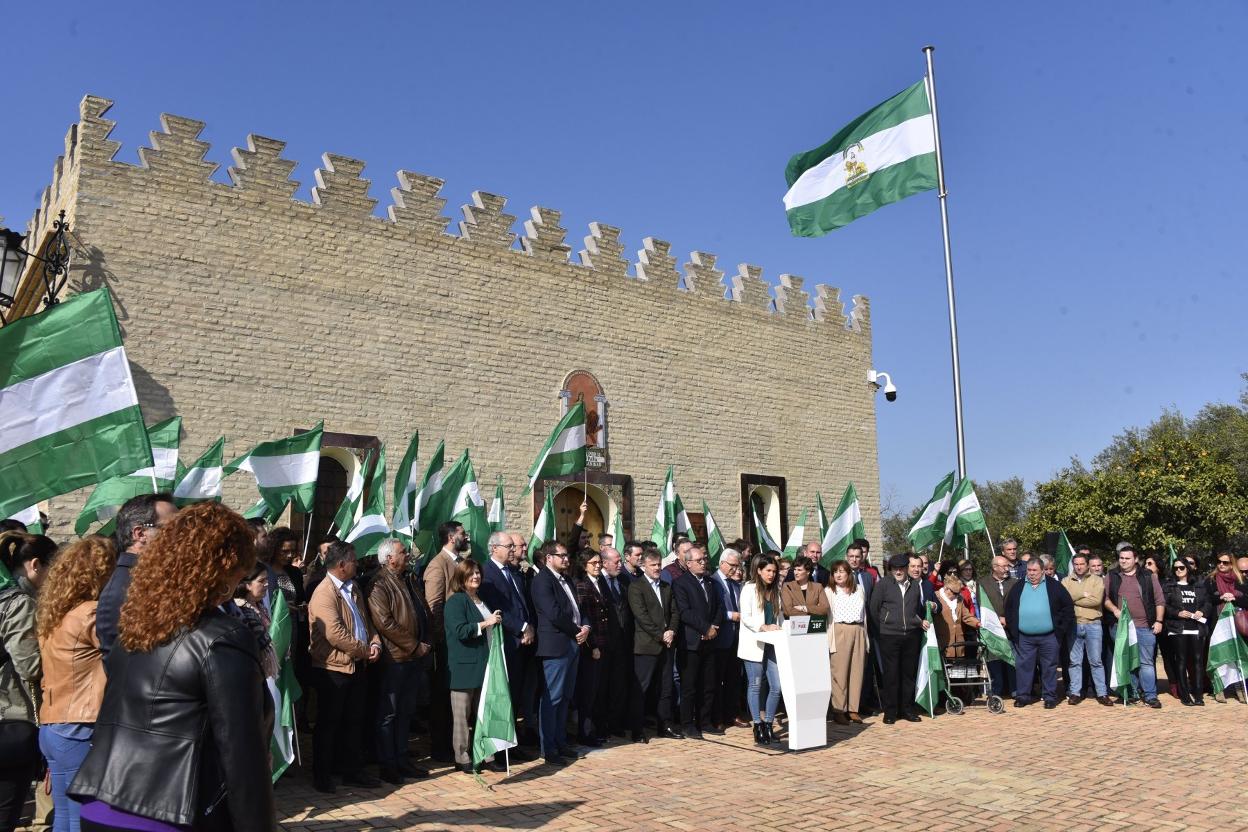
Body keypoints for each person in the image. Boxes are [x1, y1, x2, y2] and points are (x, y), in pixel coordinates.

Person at [69, 503, 274, 832]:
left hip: (101, 804)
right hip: (167, 813)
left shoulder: (136, 625)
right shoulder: (221, 638)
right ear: (225, 566)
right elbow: (241, 758)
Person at [34, 536, 116, 832]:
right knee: (84, 819)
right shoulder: (91, 614)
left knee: (68, 819)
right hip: (80, 724)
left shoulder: (56, 613)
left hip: (55, 725)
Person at [308, 540, 382, 792]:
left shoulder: (353, 588)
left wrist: (375, 643)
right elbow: (335, 634)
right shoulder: (324, 592)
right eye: (354, 560)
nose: (357, 563)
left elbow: (364, 621)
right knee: (329, 723)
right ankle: (322, 775)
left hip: (356, 665)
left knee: (354, 721)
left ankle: (352, 770)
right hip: (332, 668)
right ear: (341, 565)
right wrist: (364, 650)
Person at [0, 532, 55, 832]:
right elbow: (30, 666)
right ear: (35, 566)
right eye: (53, 570)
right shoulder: (19, 604)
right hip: (10, 719)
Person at [368, 538, 432, 783]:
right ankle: (387, 763)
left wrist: (425, 641)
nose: (408, 555)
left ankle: (402, 758)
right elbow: (385, 623)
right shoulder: (379, 584)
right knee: (389, 713)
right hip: (395, 658)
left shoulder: (410, 578)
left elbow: (421, 610)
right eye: (403, 552)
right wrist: (414, 645)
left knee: (406, 711)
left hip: (414, 657)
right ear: (389, 559)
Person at [443, 559, 506, 774]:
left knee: (484, 712)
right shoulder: (456, 601)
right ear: (461, 577)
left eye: (478, 573)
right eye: (471, 574)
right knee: (462, 715)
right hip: (464, 667)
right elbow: (460, 630)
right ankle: (462, 757)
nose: (476, 577)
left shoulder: (481, 599)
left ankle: (486, 755)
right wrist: (485, 623)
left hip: (486, 664)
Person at [96, 493, 177, 658]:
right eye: (172, 528)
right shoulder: (128, 585)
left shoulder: (147, 578)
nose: (182, 536)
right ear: (140, 534)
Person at [531, 542, 589, 764]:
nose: (566, 559)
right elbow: (554, 613)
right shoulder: (542, 581)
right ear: (548, 558)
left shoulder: (567, 580)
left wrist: (586, 627)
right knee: (552, 698)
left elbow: (578, 609)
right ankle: (549, 748)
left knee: (565, 696)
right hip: (555, 646)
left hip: (573, 643)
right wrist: (577, 631)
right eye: (561, 556)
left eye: (567, 555)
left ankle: (560, 741)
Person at [423, 520, 469, 762]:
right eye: (462, 533)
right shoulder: (437, 565)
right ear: (451, 537)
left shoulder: (461, 563)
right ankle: (440, 746)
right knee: (443, 695)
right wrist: (444, 638)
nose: (466, 536)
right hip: (447, 644)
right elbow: (434, 606)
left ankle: (456, 743)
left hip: (462, 641)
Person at [867, 553, 928, 724]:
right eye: (895, 568)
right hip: (889, 635)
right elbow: (874, 609)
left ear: (906, 569)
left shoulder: (915, 585)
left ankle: (907, 709)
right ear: (890, 569)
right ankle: (890, 711)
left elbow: (915, 610)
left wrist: (917, 622)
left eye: (901, 568)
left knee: (908, 674)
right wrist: (882, 630)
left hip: (910, 635)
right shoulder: (883, 585)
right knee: (891, 675)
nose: (899, 571)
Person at [1005, 559, 1075, 709]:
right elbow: (1009, 608)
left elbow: (1067, 608)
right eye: (1029, 570)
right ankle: (1023, 696)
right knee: (1024, 666)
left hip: (1049, 636)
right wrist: (1013, 629)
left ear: (1042, 570)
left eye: (1034, 571)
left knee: (1049, 667)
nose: (1031, 574)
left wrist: (1061, 630)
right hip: (1024, 637)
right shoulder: (1018, 586)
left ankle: (1049, 696)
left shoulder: (1055, 586)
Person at [671, 544, 724, 738]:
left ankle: (705, 721)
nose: (703, 563)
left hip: (710, 641)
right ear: (688, 563)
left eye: (704, 559)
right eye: (699, 560)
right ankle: (687, 724)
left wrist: (714, 627)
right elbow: (684, 612)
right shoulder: (681, 583)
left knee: (708, 684)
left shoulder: (711, 583)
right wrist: (705, 628)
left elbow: (719, 607)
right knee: (689, 686)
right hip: (691, 642)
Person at [627, 551, 680, 743]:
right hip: (646, 646)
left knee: (666, 687)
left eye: (659, 565)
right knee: (642, 689)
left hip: (667, 645)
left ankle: (664, 725)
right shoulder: (636, 588)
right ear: (644, 567)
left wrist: (671, 631)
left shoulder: (666, 586)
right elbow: (641, 617)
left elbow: (674, 611)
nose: (657, 568)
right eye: (653, 565)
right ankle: (637, 729)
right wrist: (660, 635)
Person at [1104, 546, 1165, 708]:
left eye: (1127, 558)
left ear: (1136, 559)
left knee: (1146, 662)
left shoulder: (1148, 576)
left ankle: (1151, 695)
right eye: (1121, 558)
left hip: (1145, 627)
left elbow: (1159, 601)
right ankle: (1132, 693)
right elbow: (1105, 599)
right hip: (1121, 627)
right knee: (1126, 661)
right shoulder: (1112, 576)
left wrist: (1159, 621)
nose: (1123, 561)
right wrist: (1115, 610)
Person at [739, 555, 783, 744]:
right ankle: (757, 724)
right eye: (768, 571)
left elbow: (778, 616)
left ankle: (768, 723)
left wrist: (779, 628)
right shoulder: (749, 589)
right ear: (759, 570)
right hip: (754, 643)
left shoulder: (775, 591)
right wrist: (763, 626)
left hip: (772, 644)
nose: (771, 575)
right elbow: (746, 616)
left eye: (774, 571)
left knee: (776, 686)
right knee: (755, 685)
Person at [1061, 552, 1111, 705]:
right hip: (1074, 624)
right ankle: (1075, 692)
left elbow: (1096, 600)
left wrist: (1075, 598)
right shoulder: (1066, 580)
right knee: (1074, 661)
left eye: (1082, 564)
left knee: (1096, 661)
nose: (1079, 567)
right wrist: (1083, 594)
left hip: (1093, 624)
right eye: (1076, 564)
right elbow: (1065, 600)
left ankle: (1102, 693)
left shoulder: (1097, 580)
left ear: (1087, 564)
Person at [1163, 559, 1212, 706]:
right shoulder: (1169, 586)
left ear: (1188, 569)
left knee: (1198, 661)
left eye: (1182, 567)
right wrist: (1177, 613)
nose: (1178, 570)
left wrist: (1202, 612)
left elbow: (1207, 603)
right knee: (1181, 660)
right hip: (1178, 628)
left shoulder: (1199, 585)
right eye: (1176, 568)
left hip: (1196, 627)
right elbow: (1164, 606)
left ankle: (1198, 695)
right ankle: (1184, 695)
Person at [574, 550, 610, 746]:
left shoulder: (600, 582)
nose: (598, 565)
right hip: (591, 647)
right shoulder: (582, 585)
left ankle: (597, 728)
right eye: (593, 563)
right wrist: (593, 646)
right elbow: (584, 619)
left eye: (599, 562)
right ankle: (584, 732)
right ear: (584, 565)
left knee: (598, 690)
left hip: (604, 642)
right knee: (588, 692)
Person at [595, 546, 632, 737]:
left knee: (619, 685)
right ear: (604, 562)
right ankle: (601, 725)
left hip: (622, 643)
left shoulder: (624, 580)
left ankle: (616, 723)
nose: (620, 565)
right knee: (602, 686)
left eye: (620, 561)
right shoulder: (597, 581)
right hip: (603, 643)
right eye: (616, 561)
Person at [825, 560, 867, 724]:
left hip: (858, 630)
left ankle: (853, 709)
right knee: (839, 672)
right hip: (839, 630)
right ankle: (839, 710)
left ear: (849, 573)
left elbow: (865, 614)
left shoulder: (859, 590)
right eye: (836, 572)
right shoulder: (829, 591)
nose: (839, 575)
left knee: (856, 671)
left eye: (842, 571)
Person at [709, 549, 745, 731]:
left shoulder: (737, 584)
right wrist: (731, 615)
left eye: (737, 565)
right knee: (717, 680)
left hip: (737, 639)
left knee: (734, 679)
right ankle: (717, 718)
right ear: (722, 563)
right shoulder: (712, 582)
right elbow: (711, 609)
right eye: (732, 565)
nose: (735, 569)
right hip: (720, 638)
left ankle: (733, 714)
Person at [1206, 552, 1246, 703]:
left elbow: (1246, 599)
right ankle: (1219, 688)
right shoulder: (1210, 580)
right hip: (1218, 623)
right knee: (1220, 655)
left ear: (1232, 564)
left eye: (1225, 562)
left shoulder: (1240, 580)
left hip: (1237, 623)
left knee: (1237, 655)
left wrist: (1235, 596)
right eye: (1219, 561)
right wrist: (1220, 597)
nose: (1221, 565)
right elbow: (1207, 599)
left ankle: (1240, 688)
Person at [231, 563, 279, 680]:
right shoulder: (240, 611)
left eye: (267, 579)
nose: (267, 584)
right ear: (247, 585)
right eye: (261, 581)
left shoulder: (260, 606)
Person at [981, 555, 1018, 699]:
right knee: (995, 661)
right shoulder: (983, 583)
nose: (1006, 569)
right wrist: (996, 620)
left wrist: (1009, 619)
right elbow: (981, 606)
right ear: (994, 567)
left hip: (1011, 628)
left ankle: (1015, 689)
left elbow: (1019, 605)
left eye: (1007, 566)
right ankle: (997, 690)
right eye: (1003, 566)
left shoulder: (1015, 583)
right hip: (993, 629)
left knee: (1012, 659)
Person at [933, 568, 979, 660]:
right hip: (943, 642)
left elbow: (966, 616)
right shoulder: (935, 597)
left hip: (959, 643)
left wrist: (978, 623)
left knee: (959, 671)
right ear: (946, 588)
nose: (956, 595)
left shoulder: (959, 599)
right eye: (954, 593)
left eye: (958, 593)